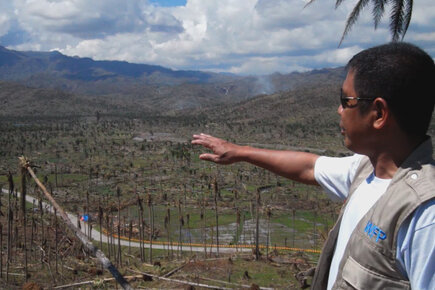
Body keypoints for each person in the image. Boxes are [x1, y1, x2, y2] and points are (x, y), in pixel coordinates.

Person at [192, 42, 435, 289]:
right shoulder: (365, 171)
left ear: (379, 113)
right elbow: (309, 166)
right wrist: (239, 152)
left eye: (346, 100)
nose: (339, 110)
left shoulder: (425, 214)